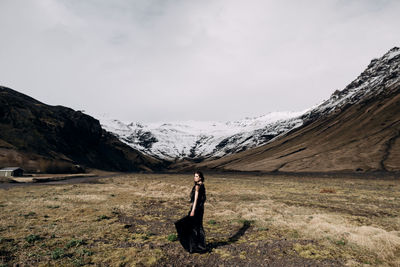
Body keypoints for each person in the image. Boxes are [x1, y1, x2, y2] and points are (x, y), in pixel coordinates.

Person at [174, 171, 207, 253]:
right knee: (198, 226)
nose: (194, 177)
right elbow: (203, 199)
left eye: (196, 176)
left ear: (200, 177)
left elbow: (195, 200)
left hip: (196, 209)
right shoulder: (202, 185)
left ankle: (193, 246)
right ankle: (199, 245)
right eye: (194, 176)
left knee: (189, 225)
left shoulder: (197, 186)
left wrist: (192, 210)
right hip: (200, 209)